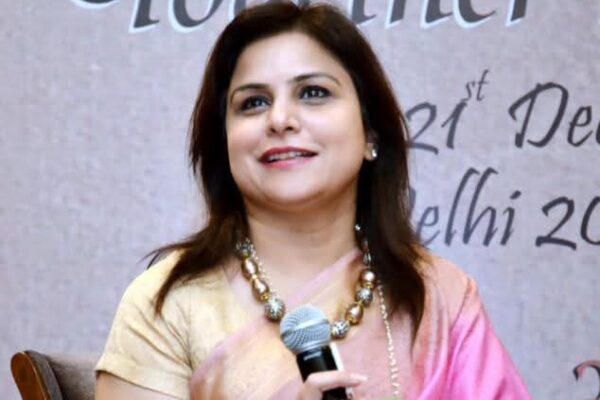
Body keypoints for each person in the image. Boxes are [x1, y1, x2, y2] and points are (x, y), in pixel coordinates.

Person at [94, 2, 531, 399]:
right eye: (253, 102)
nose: (280, 119)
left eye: (313, 93)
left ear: (371, 134)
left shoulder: (440, 298)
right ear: (223, 144)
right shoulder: (171, 304)